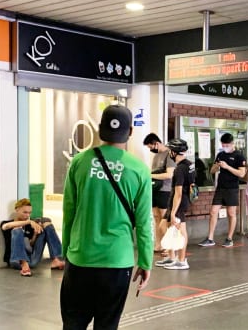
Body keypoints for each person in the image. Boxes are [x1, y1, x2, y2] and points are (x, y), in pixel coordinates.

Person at [60, 105, 153, 330]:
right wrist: (145, 260)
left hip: (80, 257)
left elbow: (68, 211)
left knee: (73, 323)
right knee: (107, 325)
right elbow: (143, 223)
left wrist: (65, 252)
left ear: (100, 128)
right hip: (117, 262)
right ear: (130, 131)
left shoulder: (79, 162)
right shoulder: (139, 169)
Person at [198, 133, 246, 247]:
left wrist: (227, 167)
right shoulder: (220, 154)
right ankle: (210, 238)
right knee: (213, 211)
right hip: (220, 187)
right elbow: (212, 171)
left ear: (232, 143)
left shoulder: (239, 156)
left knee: (231, 213)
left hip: (232, 188)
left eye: (227, 144)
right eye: (223, 144)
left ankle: (229, 238)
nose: (225, 146)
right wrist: (216, 166)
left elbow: (242, 173)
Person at [155, 139, 195, 270]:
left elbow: (178, 192)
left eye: (170, 150)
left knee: (180, 230)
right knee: (162, 226)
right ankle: (171, 257)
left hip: (179, 202)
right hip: (179, 200)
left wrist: (173, 212)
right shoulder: (190, 164)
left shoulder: (180, 169)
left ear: (174, 152)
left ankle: (182, 260)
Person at [0, 198, 66, 276]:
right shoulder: (7, 223)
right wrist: (29, 221)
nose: (27, 215)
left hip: (32, 260)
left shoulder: (30, 226)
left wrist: (35, 234)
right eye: (25, 212)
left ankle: (56, 259)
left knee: (47, 225)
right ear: (17, 210)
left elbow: (30, 245)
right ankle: (24, 263)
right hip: (16, 261)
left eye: (29, 213)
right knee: (17, 230)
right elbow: (6, 226)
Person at [143, 133, 175, 255]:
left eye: (151, 147)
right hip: (155, 189)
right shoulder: (156, 156)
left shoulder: (170, 154)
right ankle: (159, 244)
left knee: (164, 218)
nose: (151, 149)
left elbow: (169, 174)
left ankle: (168, 246)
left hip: (165, 190)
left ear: (156, 143)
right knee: (156, 217)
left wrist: (150, 175)